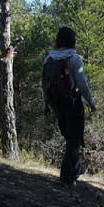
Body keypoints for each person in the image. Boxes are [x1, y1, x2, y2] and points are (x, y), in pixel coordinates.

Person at [43, 26, 96, 186]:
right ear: (72, 40)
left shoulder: (49, 59)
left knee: (69, 138)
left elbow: (44, 84)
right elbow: (82, 84)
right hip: (73, 102)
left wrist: (46, 104)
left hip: (57, 104)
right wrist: (91, 103)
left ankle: (75, 171)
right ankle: (67, 177)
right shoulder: (74, 58)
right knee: (74, 141)